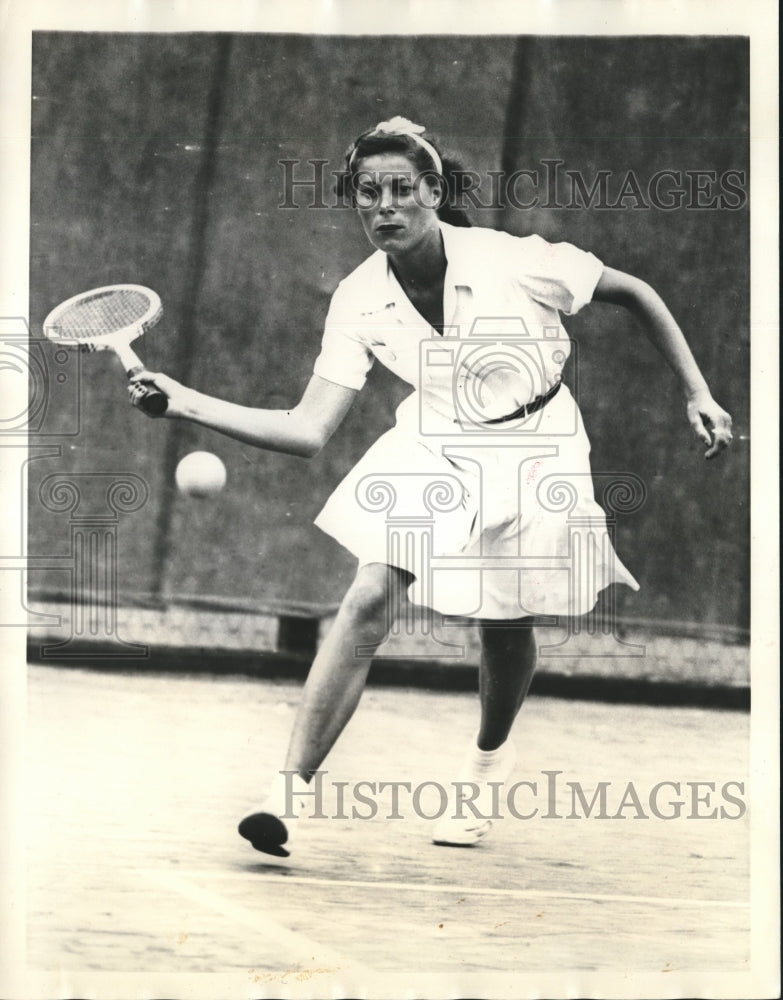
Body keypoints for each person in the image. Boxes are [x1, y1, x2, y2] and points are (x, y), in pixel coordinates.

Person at [130, 116, 733, 855]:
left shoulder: (514, 259)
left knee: (505, 629)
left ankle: (484, 766)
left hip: (539, 446)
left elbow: (635, 291)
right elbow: (308, 429)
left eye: (400, 190)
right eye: (366, 193)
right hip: (436, 441)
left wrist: (696, 393)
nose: (383, 207)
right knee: (367, 595)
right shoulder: (357, 298)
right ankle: (285, 795)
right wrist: (185, 400)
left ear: (433, 192)